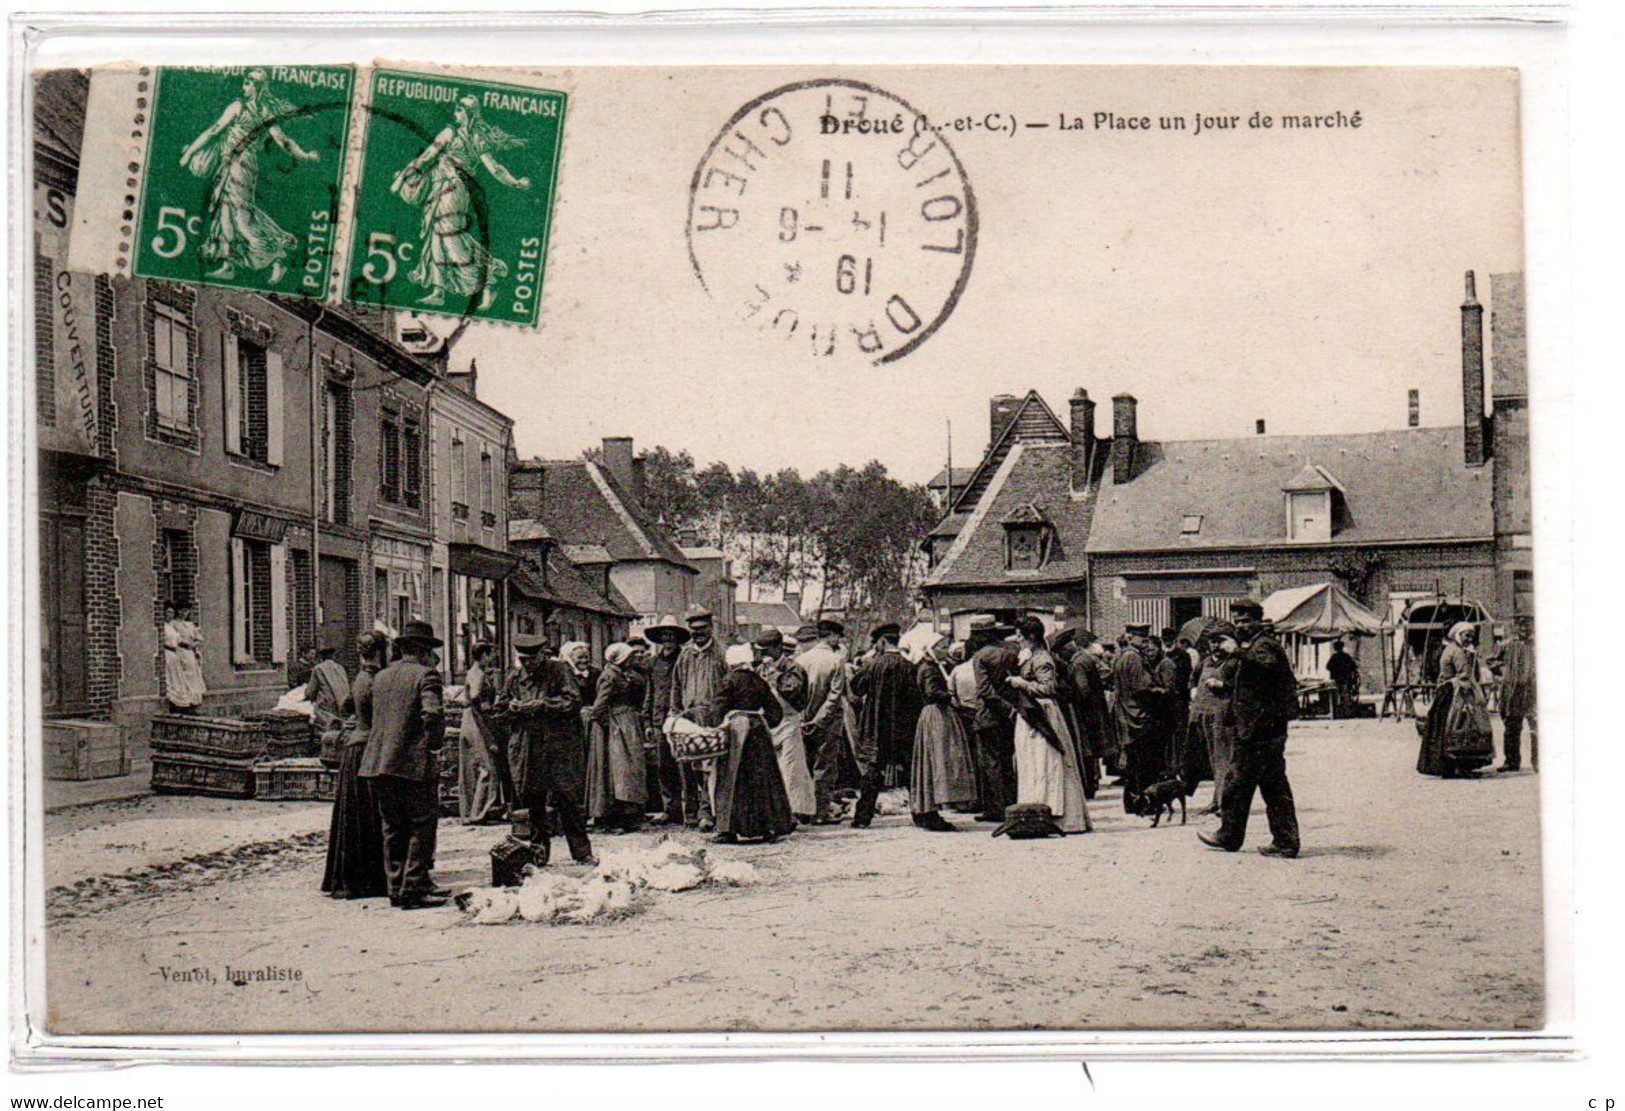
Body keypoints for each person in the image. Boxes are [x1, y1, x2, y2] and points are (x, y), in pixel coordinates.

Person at [177, 68, 319, 285]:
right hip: (230, 165)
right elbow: (215, 131)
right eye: (244, 82)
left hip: (241, 167)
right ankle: (229, 264)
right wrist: (306, 156)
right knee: (224, 213)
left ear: (257, 87)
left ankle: (277, 257)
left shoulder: (251, 110)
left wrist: (305, 156)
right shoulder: (250, 109)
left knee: (241, 216)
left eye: (248, 83)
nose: (244, 86)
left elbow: (282, 140)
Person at [390, 94, 531, 310]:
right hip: (441, 189)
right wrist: (516, 182)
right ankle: (439, 291)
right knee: (436, 237)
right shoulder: (471, 137)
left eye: (459, 109)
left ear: (467, 113)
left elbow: (428, 157)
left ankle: (488, 280)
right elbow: (494, 168)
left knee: (450, 237)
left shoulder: (460, 135)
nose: (455, 112)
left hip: (452, 190)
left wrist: (515, 182)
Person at [358, 620, 450, 909]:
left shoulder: (381, 677)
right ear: (423, 651)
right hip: (411, 763)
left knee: (392, 827)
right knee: (421, 826)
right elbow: (432, 714)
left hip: (377, 762)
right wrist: (434, 745)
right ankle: (414, 888)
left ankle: (396, 887)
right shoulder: (427, 676)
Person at [1200, 601, 1301, 857]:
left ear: (1258, 620)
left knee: (1236, 784)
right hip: (1263, 728)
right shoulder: (1254, 646)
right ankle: (1286, 841)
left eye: (1245, 621)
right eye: (1237, 621)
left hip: (1259, 730)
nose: (1241, 626)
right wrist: (1225, 689)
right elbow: (1257, 686)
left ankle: (1229, 836)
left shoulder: (1264, 645)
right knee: (1274, 786)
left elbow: (1267, 667)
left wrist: (1236, 653)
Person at [501, 633, 595, 866]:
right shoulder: (514, 677)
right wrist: (511, 707)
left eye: (532, 659)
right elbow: (499, 707)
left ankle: (582, 852)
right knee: (534, 801)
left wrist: (543, 705)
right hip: (528, 747)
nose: (528, 664)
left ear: (542, 655)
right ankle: (539, 851)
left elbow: (573, 701)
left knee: (567, 799)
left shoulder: (559, 670)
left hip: (558, 746)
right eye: (523, 660)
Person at [1007, 617, 1092, 833]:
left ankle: (1057, 816)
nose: (1017, 639)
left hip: (1042, 714)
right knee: (1035, 763)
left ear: (1031, 637)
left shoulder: (1042, 659)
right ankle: (1037, 813)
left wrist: (1021, 683)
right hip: (1031, 715)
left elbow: (1048, 688)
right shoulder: (1033, 657)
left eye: (1020, 636)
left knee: (1048, 761)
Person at [704, 644, 797, 843]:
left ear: (731, 664)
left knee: (731, 779)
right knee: (764, 778)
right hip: (759, 730)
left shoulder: (728, 681)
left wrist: (716, 726)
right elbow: (775, 712)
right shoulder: (759, 681)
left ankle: (728, 829)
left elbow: (716, 708)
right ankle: (769, 826)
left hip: (737, 732)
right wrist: (766, 723)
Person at [321, 632, 389, 900]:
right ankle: (369, 878)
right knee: (369, 814)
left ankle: (355, 875)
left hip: (355, 748)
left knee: (355, 815)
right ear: (380, 653)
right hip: (366, 749)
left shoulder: (360, 678)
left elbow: (348, 707)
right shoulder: (375, 681)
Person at [849, 622, 924, 828]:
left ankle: (862, 818)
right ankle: (921, 814)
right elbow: (916, 699)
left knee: (873, 771)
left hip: (876, 727)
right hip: (903, 728)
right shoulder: (909, 666)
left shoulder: (872, 665)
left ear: (882, 642)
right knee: (910, 771)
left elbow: (856, 689)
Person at [667, 607, 727, 831]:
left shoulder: (721, 653)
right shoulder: (685, 655)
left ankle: (707, 813)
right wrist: (674, 713)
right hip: (688, 718)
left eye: (702, 629)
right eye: (693, 630)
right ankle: (690, 813)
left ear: (711, 628)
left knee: (708, 766)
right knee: (687, 766)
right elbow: (676, 686)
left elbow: (729, 685)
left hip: (713, 718)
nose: (698, 633)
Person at [911, 638, 979, 831]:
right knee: (939, 759)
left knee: (934, 761)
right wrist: (950, 696)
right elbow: (932, 693)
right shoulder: (929, 668)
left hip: (934, 715)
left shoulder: (929, 666)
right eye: (941, 647)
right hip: (936, 715)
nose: (945, 650)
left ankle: (927, 809)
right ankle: (930, 811)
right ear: (931, 649)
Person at [1416, 621, 1495, 778]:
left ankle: (1446, 764)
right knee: (1461, 725)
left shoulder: (1450, 649)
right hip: (1456, 693)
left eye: (1471, 636)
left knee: (1444, 727)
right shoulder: (1458, 652)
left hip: (1445, 692)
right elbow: (1464, 676)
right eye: (1466, 635)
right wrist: (1470, 700)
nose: (1469, 639)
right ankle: (1459, 764)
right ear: (1458, 635)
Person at [585, 642, 649, 833]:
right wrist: (609, 726)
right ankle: (610, 818)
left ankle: (628, 813)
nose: (632, 659)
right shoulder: (609, 676)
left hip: (625, 723)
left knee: (629, 770)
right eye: (629, 656)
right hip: (615, 727)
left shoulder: (623, 673)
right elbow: (599, 707)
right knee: (615, 772)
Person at [755, 630, 818, 822]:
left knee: (792, 768)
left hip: (788, 720)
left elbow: (791, 690)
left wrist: (774, 673)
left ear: (777, 648)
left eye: (766, 651)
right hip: (768, 720)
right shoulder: (761, 668)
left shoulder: (793, 668)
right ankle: (776, 811)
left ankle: (798, 810)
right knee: (771, 768)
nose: (762, 655)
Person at [796, 618, 853, 824]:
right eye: (838, 636)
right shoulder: (836, 660)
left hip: (802, 720)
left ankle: (802, 811)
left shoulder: (801, 659)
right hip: (827, 722)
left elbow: (795, 693)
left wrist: (804, 719)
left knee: (804, 765)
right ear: (832, 637)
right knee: (825, 766)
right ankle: (820, 812)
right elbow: (834, 695)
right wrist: (819, 720)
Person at [968, 615, 1020, 822]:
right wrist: (1011, 709)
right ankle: (1011, 803)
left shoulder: (980, 656)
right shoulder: (1011, 651)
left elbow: (985, 691)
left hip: (989, 716)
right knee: (1008, 761)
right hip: (1011, 716)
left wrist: (1004, 707)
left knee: (990, 763)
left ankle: (995, 809)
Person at [1112, 623, 1165, 813]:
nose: (1145, 640)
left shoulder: (1122, 656)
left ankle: (1133, 803)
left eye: (1145, 637)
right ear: (1130, 637)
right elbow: (1141, 688)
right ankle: (1143, 804)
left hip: (1127, 713)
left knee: (1134, 764)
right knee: (1143, 764)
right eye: (1140, 637)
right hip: (1138, 716)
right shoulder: (1134, 657)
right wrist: (1159, 691)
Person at [642, 614, 690, 821]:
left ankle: (690, 809)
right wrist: (648, 722)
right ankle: (670, 809)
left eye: (672, 635)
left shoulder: (685, 659)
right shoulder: (653, 663)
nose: (668, 639)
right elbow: (650, 692)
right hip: (659, 719)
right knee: (664, 765)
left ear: (677, 639)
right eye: (664, 636)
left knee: (685, 763)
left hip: (680, 717)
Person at [1188, 626, 1240, 815]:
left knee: (1224, 759)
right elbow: (1193, 679)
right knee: (1212, 760)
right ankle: (1216, 799)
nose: (1216, 645)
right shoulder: (1205, 661)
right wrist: (1193, 689)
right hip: (1203, 714)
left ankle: (1225, 802)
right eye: (1212, 641)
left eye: (1220, 641)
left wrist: (1224, 685)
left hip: (1223, 716)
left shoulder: (1234, 662)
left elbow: (1244, 686)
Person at [455, 642, 505, 824]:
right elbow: (475, 696)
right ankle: (478, 813)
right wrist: (486, 706)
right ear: (484, 655)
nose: (492, 659)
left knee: (471, 766)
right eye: (491, 655)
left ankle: (469, 812)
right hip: (477, 720)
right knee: (488, 767)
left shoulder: (471, 672)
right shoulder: (480, 674)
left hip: (469, 719)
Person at [1496, 619, 1537, 773]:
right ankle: (1511, 761)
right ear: (1515, 627)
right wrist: (1503, 673)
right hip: (1513, 692)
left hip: (1533, 691)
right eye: (1521, 625)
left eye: (1527, 625)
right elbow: (1493, 661)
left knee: (1536, 727)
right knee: (1512, 727)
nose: (1524, 628)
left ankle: (1538, 762)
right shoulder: (1507, 645)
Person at [161, 603, 207, 714]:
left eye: (186, 611)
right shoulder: (171, 624)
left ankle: (191, 703)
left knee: (188, 678)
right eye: (181, 610)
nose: (184, 613)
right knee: (179, 679)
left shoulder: (186, 625)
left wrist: (194, 646)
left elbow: (198, 638)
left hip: (186, 653)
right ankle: (179, 704)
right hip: (178, 652)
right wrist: (184, 644)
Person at [305, 639, 352, 743]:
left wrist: (308, 697)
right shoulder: (340, 668)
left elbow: (311, 691)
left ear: (321, 657)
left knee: (320, 719)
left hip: (327, 704)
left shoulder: (319, 669)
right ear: (334, 656)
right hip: (343, 703)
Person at [1326, 639, 1360, 719]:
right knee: (1345, 696)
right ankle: (1346, 713)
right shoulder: (1346, 656)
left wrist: (1335, 669)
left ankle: (1340, 713)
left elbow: (1328, 667)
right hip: (1345, 679)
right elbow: (1354, 667)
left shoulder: (1334, 657)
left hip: (1339, 679)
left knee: (1338, 696)